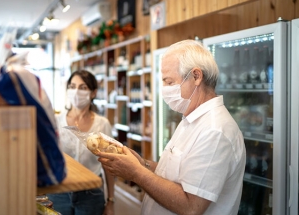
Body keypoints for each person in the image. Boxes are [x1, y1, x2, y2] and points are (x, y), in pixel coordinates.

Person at [98, 40, 246, 215]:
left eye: (169, 82)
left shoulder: (215, 131)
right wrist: (142, 164)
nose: (165, 89)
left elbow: (191, 206)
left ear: (196, 76)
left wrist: (136, 173)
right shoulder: (191, 118)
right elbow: (176, 176)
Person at [48, 70, 115, 215]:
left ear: (93, 93)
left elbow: (109, 165)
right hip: (59, 191)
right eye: (72, 86)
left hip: (91, 195)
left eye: (83, 87)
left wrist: (111, 201)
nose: (76, 91)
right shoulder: (55, 121)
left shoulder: (102, 124)